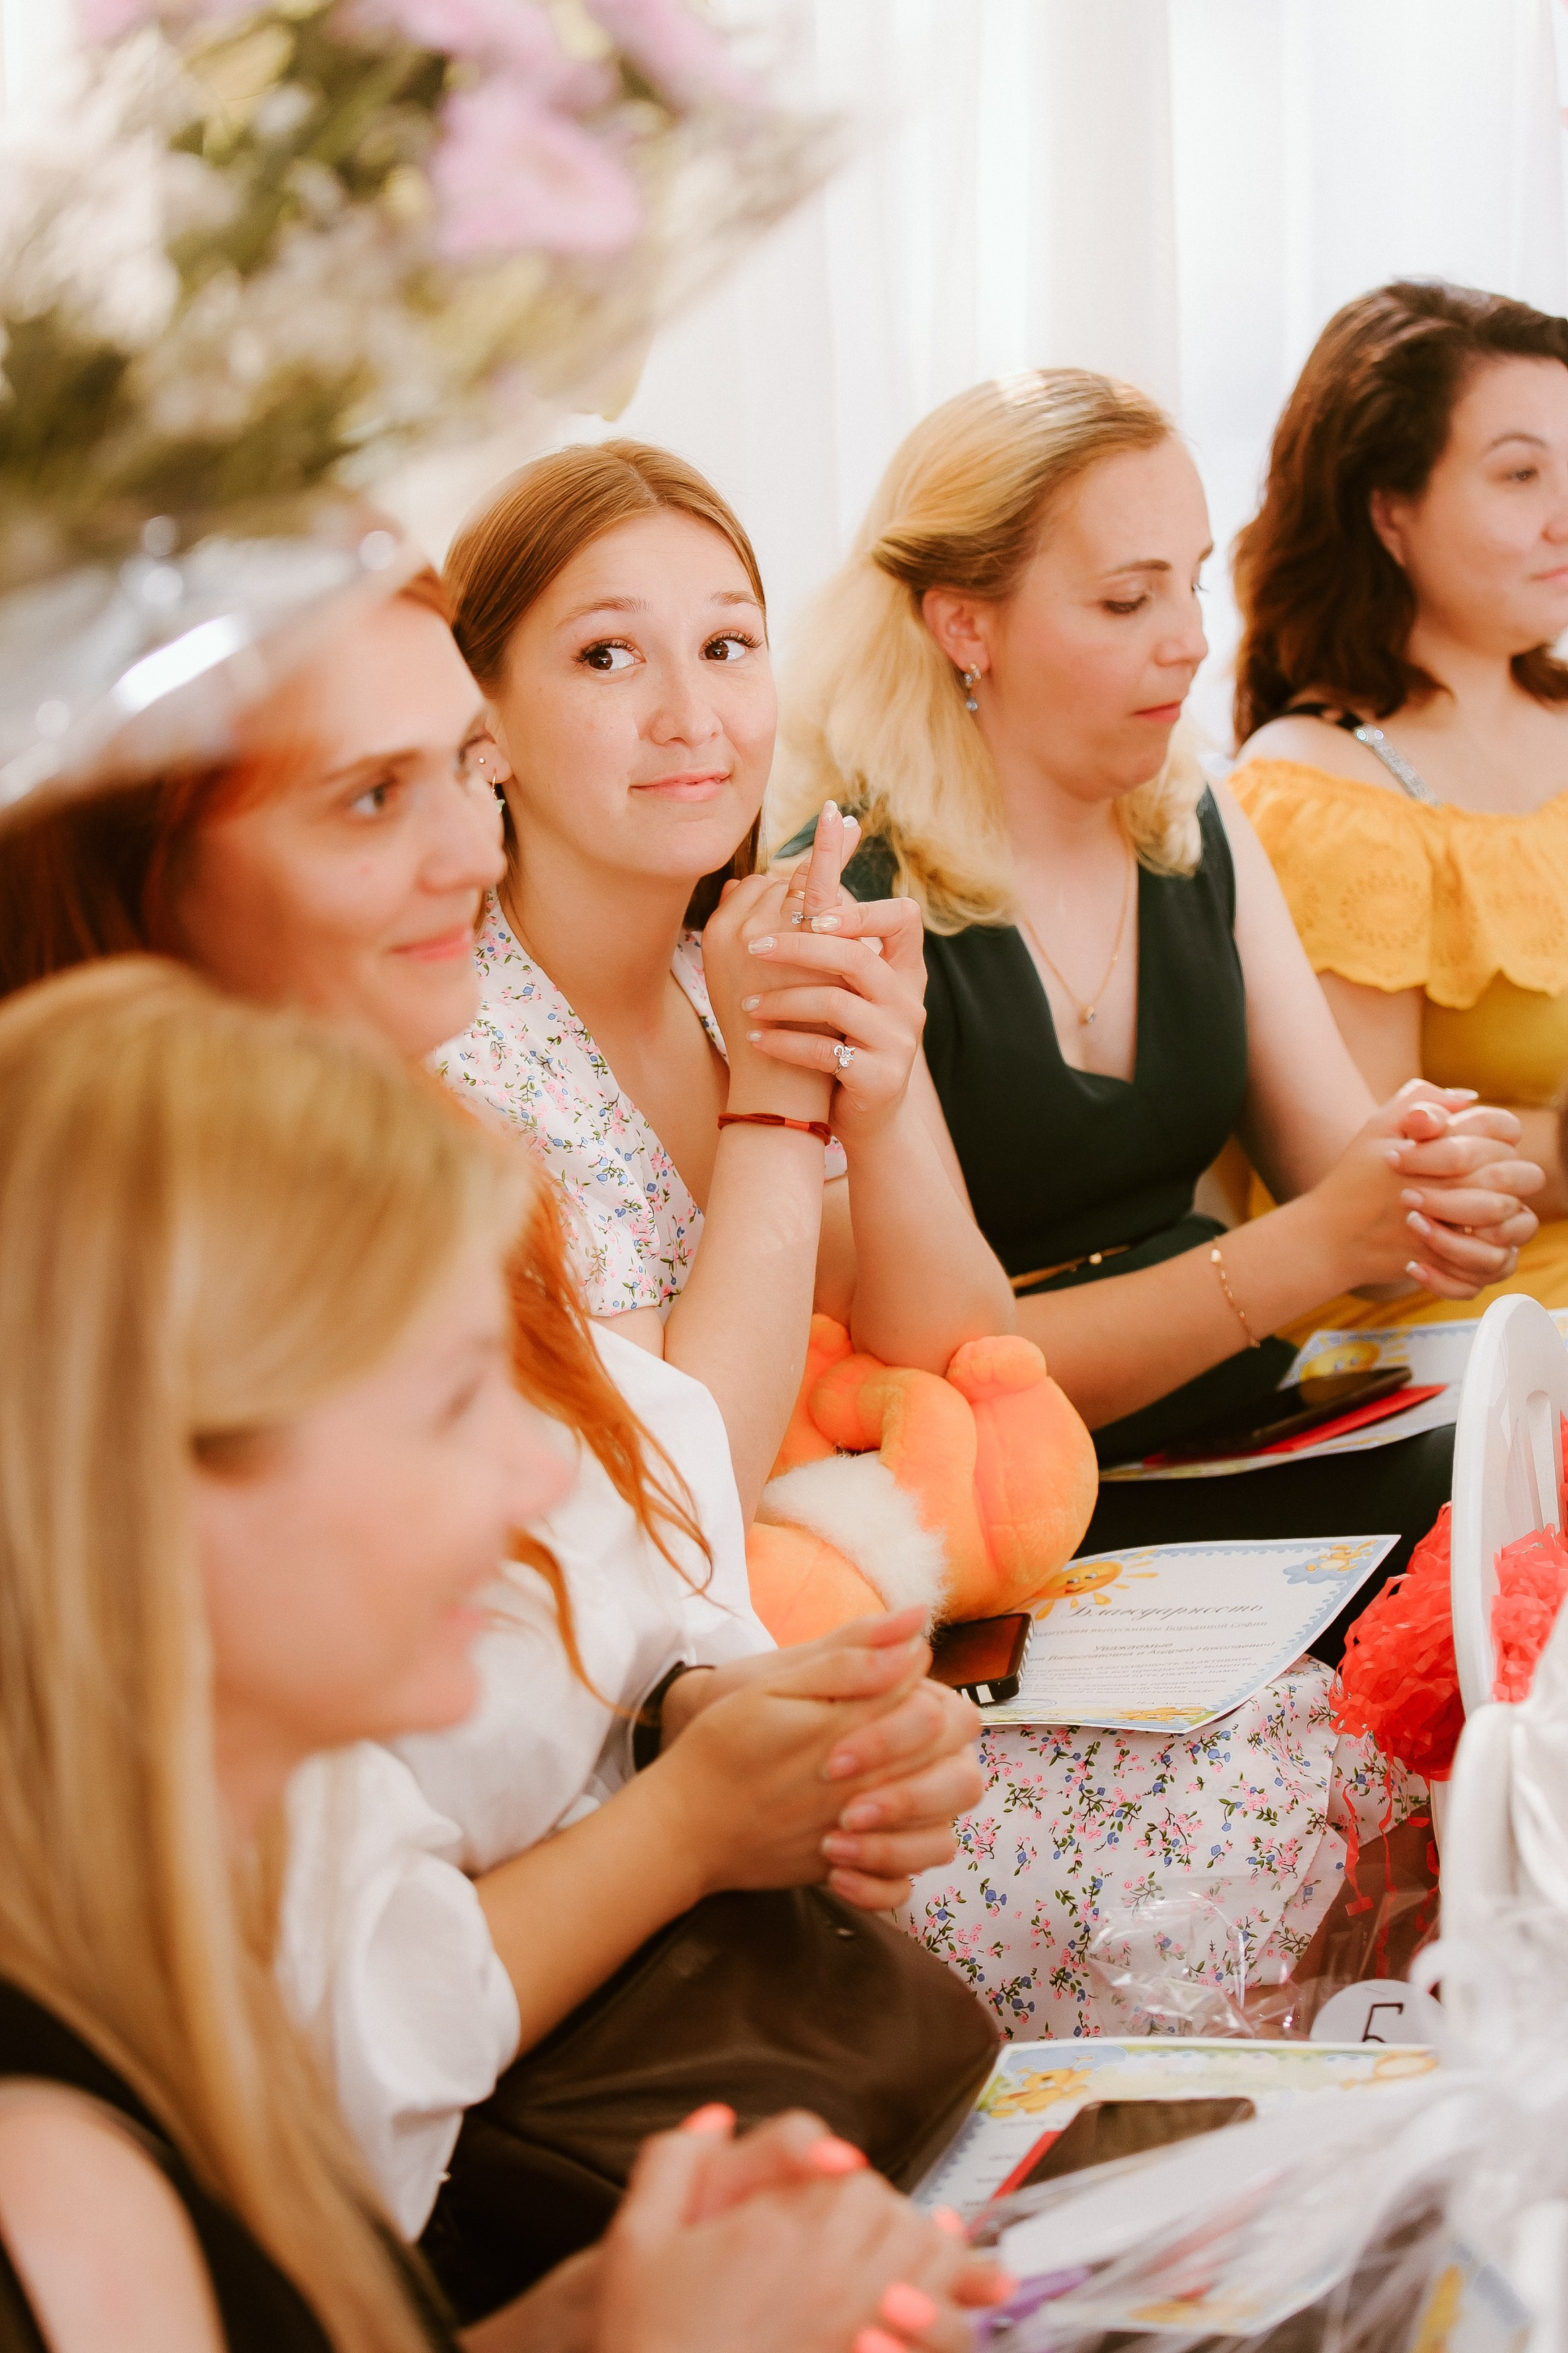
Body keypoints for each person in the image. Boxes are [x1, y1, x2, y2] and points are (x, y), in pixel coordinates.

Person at [0, 570, 982, 2242]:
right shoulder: (128, 1298)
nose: (471, 849)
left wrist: (723, 1715)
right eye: (370, 798)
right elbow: (327, 2036)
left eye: (467, 769)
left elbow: (642, 1534)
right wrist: (686, 1824)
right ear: (144, 856)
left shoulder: (440, 1140)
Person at [770, 366, 1540, 1562]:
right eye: (1127, 601)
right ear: (964, 624)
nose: (1190, 642)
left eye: (1190, 581)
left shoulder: (1193, 819)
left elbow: (1354, 1188)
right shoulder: (838, 902)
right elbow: (951, 1365)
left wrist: (1433, 1191)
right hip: (1011, 1502)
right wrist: (1317, 1243)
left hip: (1251, 1421)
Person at [438, 442, 1018, 1525]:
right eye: (608, 655)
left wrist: (881, 1109)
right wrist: (778, 1103)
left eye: (725, 646)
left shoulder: (741, 971)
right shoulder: (460, 1059)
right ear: (486, 725)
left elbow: (965, 1355)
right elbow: (675, 1498)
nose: (692, 716)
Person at [1230, 280, 1568, 1332]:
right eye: (1519, 473)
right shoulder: (1322, 790)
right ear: (1387, 510)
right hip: (1466, 1330)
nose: (1564, 516)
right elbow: (1374, 1181)